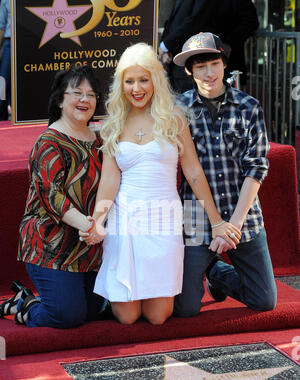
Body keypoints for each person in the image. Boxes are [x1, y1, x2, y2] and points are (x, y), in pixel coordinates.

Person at [80, 42, 241, 326]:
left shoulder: (173, 118)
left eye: (144, 79)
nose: (137, 88)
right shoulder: (113, 125)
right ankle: (115, 294)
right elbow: (109, 179)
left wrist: (216, 221)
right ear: (121, 85)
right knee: (128, 317)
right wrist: (99, 220)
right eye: (129, 81)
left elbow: (192, 171)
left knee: (157, 317)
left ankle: (206, 275)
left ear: (155, 79)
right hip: (126, 219)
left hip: (163, 219)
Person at [172, 32, 277, 317]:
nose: (209, 73)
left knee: (264, 300)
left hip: (243, 214)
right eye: (200, 66)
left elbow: (256, 167)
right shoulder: (177, 109)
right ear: (189, 71)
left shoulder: (249, 107)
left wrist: (234, 225)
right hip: (197, 215)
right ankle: (210, 265)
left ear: (224, 64)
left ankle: (217, 273)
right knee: (185, 309)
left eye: (214, 64)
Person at [0, 65, 106, 328]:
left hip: (88, 245)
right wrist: (88, 225)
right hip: (50, 244)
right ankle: (26, 305)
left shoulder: (100, 139)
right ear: (60, 100)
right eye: (77, 93)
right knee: (68, 316)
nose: (85, 99)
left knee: (95, 312)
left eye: (91, 95)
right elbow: (51, 195)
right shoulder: (49, 141)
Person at [158, 0, 259, 92]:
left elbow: (196, 20)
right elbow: (174, 22)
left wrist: (228, 44)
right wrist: (166, 48)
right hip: (178, 64)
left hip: (217, 63)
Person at [0, 0, 11, 120]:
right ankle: (1, 118)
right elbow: (1, 27)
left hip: (30, 41)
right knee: (2, 81)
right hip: (10, 42)